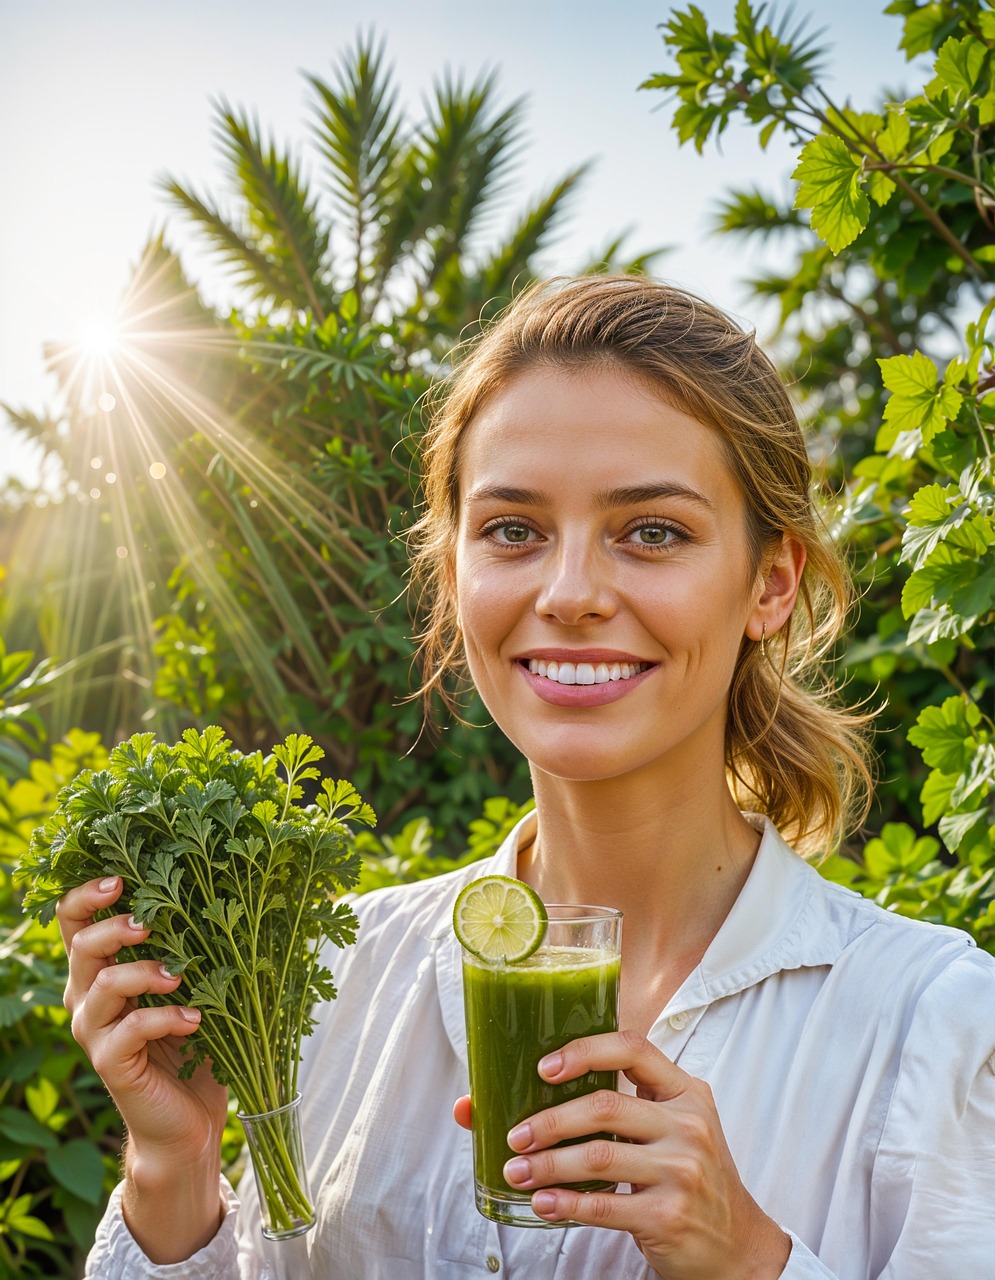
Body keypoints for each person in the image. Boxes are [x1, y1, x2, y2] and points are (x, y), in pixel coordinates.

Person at [62, 277, 995, 1279]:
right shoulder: (335, 980)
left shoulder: (925, 1021)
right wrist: (175, 1163)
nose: (570, 592)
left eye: (651, 531)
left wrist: (748, 1259)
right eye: (513, 529)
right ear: (454, 571)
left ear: (768, 582)